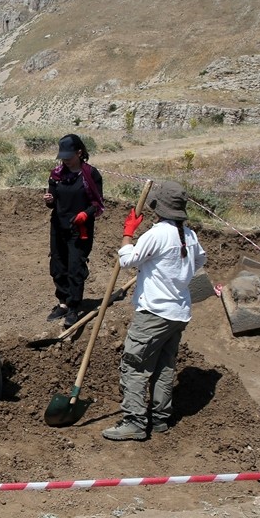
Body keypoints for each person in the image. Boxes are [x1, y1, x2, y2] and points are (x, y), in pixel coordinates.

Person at [103, 181, 208, 442]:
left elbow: (126, 260)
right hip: (178, 312)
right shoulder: (189, 234)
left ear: (157, 206)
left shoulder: (158, 233)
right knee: (164, 366)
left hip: (154, 313)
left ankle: (134, 422)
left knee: (134, 364)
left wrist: (128, 234)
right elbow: (200, 261)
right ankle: (160, 418)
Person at [44, 134, 104, 328]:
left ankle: (73, 307)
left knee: (75, 268)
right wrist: (49, 200)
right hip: (59, 227)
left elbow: (97, 203)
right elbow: (52, 201)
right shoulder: (56, 174)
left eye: (69, 156)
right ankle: (62, 302)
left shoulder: (91, 175)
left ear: (79, 153)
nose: (65, 160)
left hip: (80, 230)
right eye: (63, 157)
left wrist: (85, 215)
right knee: (58, 266)